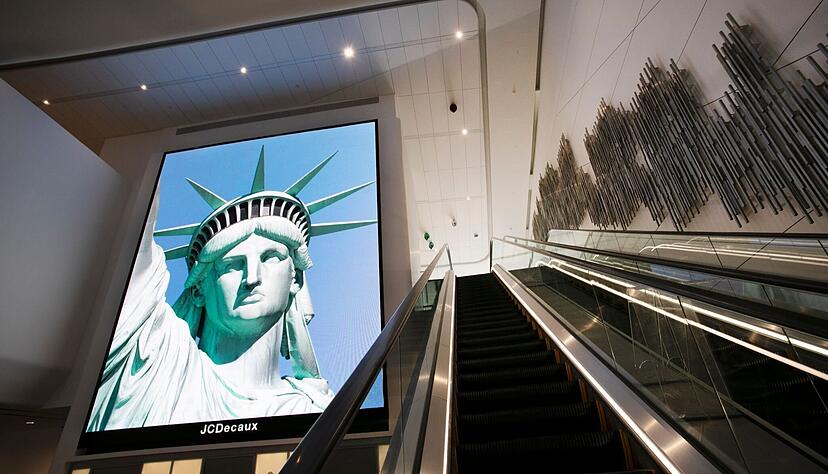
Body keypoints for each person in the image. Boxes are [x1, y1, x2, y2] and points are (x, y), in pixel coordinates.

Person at [86, 148, 375, 431]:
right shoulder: (152, 359)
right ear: (198, 290)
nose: (252, 277)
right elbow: (136, 231)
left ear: (296, 279)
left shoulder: (316, 411)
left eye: (270, 257)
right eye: (231, 266)